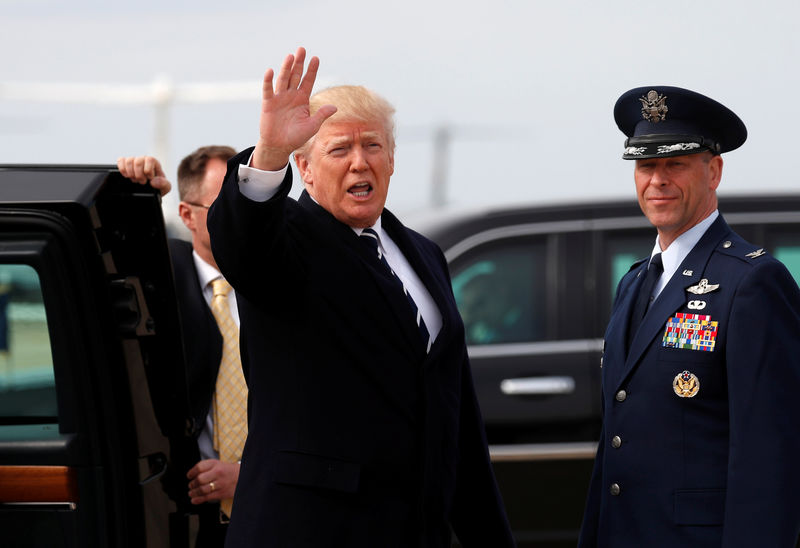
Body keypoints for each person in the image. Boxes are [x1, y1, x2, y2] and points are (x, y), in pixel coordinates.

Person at [206, 47, 514, 547]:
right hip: (311, 529)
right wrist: (268, 155)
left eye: (372, 145)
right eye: (338, 150)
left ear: (391, 159)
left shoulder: (425, 253)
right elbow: (242, 244)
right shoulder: (285, 243)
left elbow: (455, 414)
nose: (359, 162)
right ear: (303, 168)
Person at [578, 86, 800, 547]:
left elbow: (768, 458)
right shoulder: (636, 281)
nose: (657, 180)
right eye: (645, 166)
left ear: (714, 171)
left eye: (674, 164)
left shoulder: (752, 283)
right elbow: (615, 442)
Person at [118, 146, 247, 548]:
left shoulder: (278, 288)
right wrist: (137, 196)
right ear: (188, 216)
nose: (239, 216)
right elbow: (124, 261)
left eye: (244, 202)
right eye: (222, 205)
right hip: (185, 514)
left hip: (274, 501)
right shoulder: (168, 278)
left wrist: (250, 473)